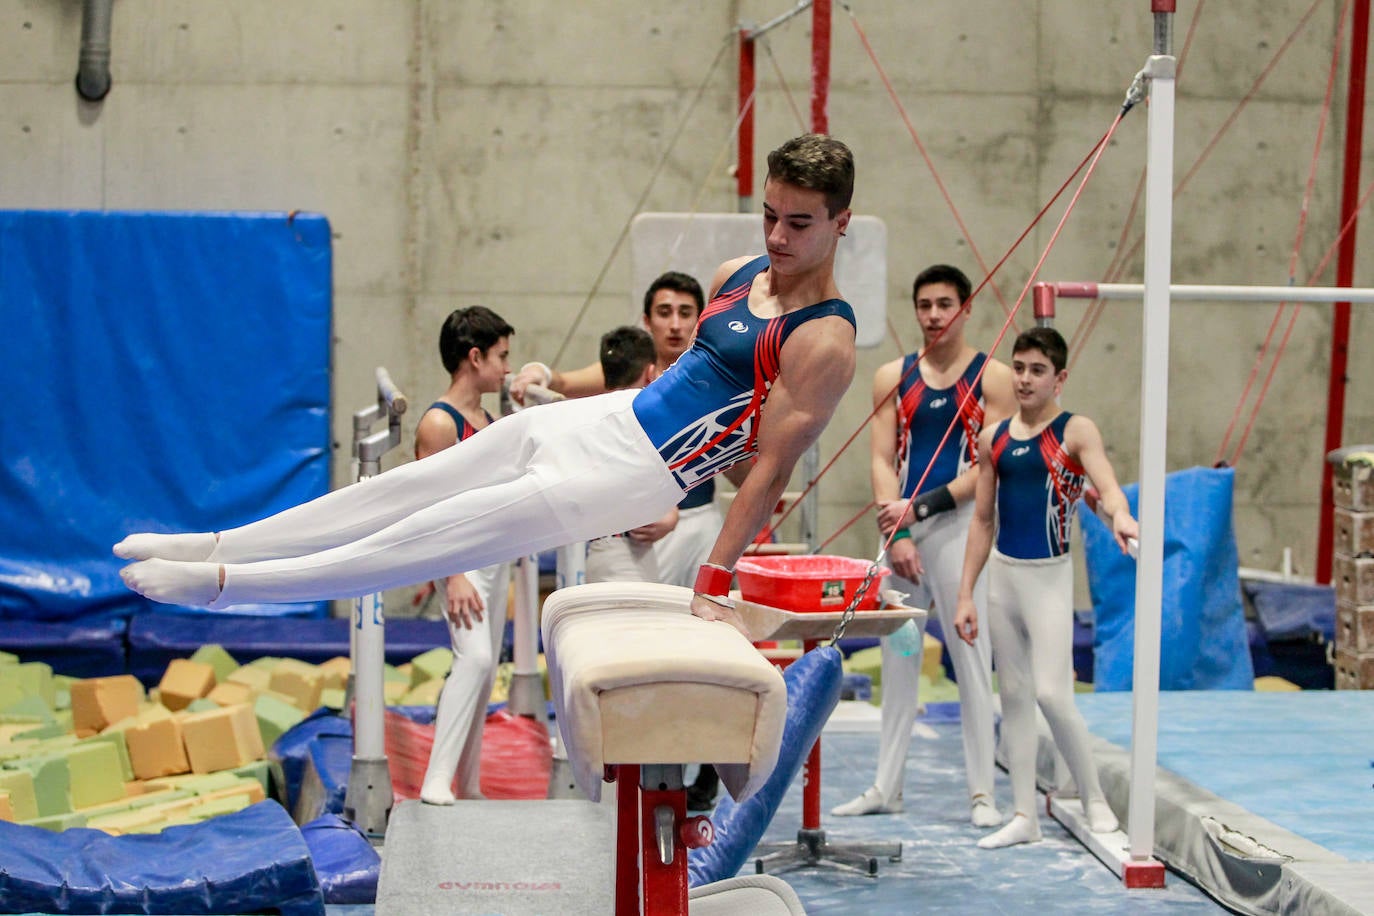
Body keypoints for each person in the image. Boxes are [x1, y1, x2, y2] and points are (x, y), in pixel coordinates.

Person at [113, 133, 858, 646]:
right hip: (609, 418)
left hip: (633, 474)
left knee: (425, 539)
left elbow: (768, 470)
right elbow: (686, 380)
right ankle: (215, 542)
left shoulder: (825, 339)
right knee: (407, 487)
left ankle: (219, 585)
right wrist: (566, 385)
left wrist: (713, 579)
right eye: (769, 216)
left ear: (841, 221)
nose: (776, 237)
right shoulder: (735, 274)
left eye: (798, 224)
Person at [832, 264, 1014, 828]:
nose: (934, 316)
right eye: (924, 305)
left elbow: (989, 467)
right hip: (903, 538)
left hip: (961, 533)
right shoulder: (893, 376)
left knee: (971, 660)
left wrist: (921, 510)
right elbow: (881, 460)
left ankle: (982, 794)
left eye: (945, 305)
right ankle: (887, 786)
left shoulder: (993, 378)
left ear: (966, 308)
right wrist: (901, 532)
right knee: (900, 660)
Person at [952, 326, 1135, 849]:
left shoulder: (1076, 430)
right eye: (1019, 368)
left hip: (1049, 580)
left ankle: (1094, 797)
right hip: (1003, 578)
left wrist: (1121, 515)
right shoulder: (993, 437)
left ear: (1060, 378)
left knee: (1053, 693)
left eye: (1038, 370)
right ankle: (1023, 815)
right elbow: (982, 519)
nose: (1026, 379)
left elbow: (1106, 486)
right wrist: (965, 593)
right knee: (1012, 696)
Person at [511, 271, 728, 594]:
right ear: (647, 320)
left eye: (685, 313)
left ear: (700, 320)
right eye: (664, 312)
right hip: (639, 526)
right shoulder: (628, 369)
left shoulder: (715, 377)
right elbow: (565, 382)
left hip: (697, 519)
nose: (675, 325)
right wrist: (537, 371)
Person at [411, 306, 514, 806]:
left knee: (486, 671)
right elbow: (429, 509)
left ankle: (468, 785)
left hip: (493, 559)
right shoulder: (439, 423)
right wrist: (451, 575)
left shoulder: (487, 420)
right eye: (501, 357)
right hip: (463, 563)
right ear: (475, 358)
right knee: (473, 660)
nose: (507, 368)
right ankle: (436, 779)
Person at [583, 325, 675, 584]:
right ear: (651, 373)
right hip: (623, 554)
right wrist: (669, 516)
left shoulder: (590, 420)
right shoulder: (644, 421)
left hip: (604, 552)